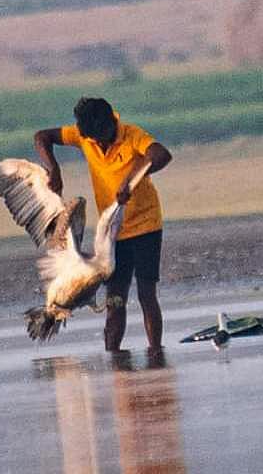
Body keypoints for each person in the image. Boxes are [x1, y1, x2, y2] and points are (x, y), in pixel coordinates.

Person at [34, 98, 172, 353]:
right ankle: (114, 357)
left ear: (111, 123)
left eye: (101, 136)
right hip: (113, 233)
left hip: (146, 225)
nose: (98, 142)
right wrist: (53, 168)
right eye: (92, 139)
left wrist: (130, 180)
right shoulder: (85, 136)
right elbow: (42, 137)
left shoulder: (132, 136)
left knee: (146, 294)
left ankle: (155, 352)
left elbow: (161, 154)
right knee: (114, 300)